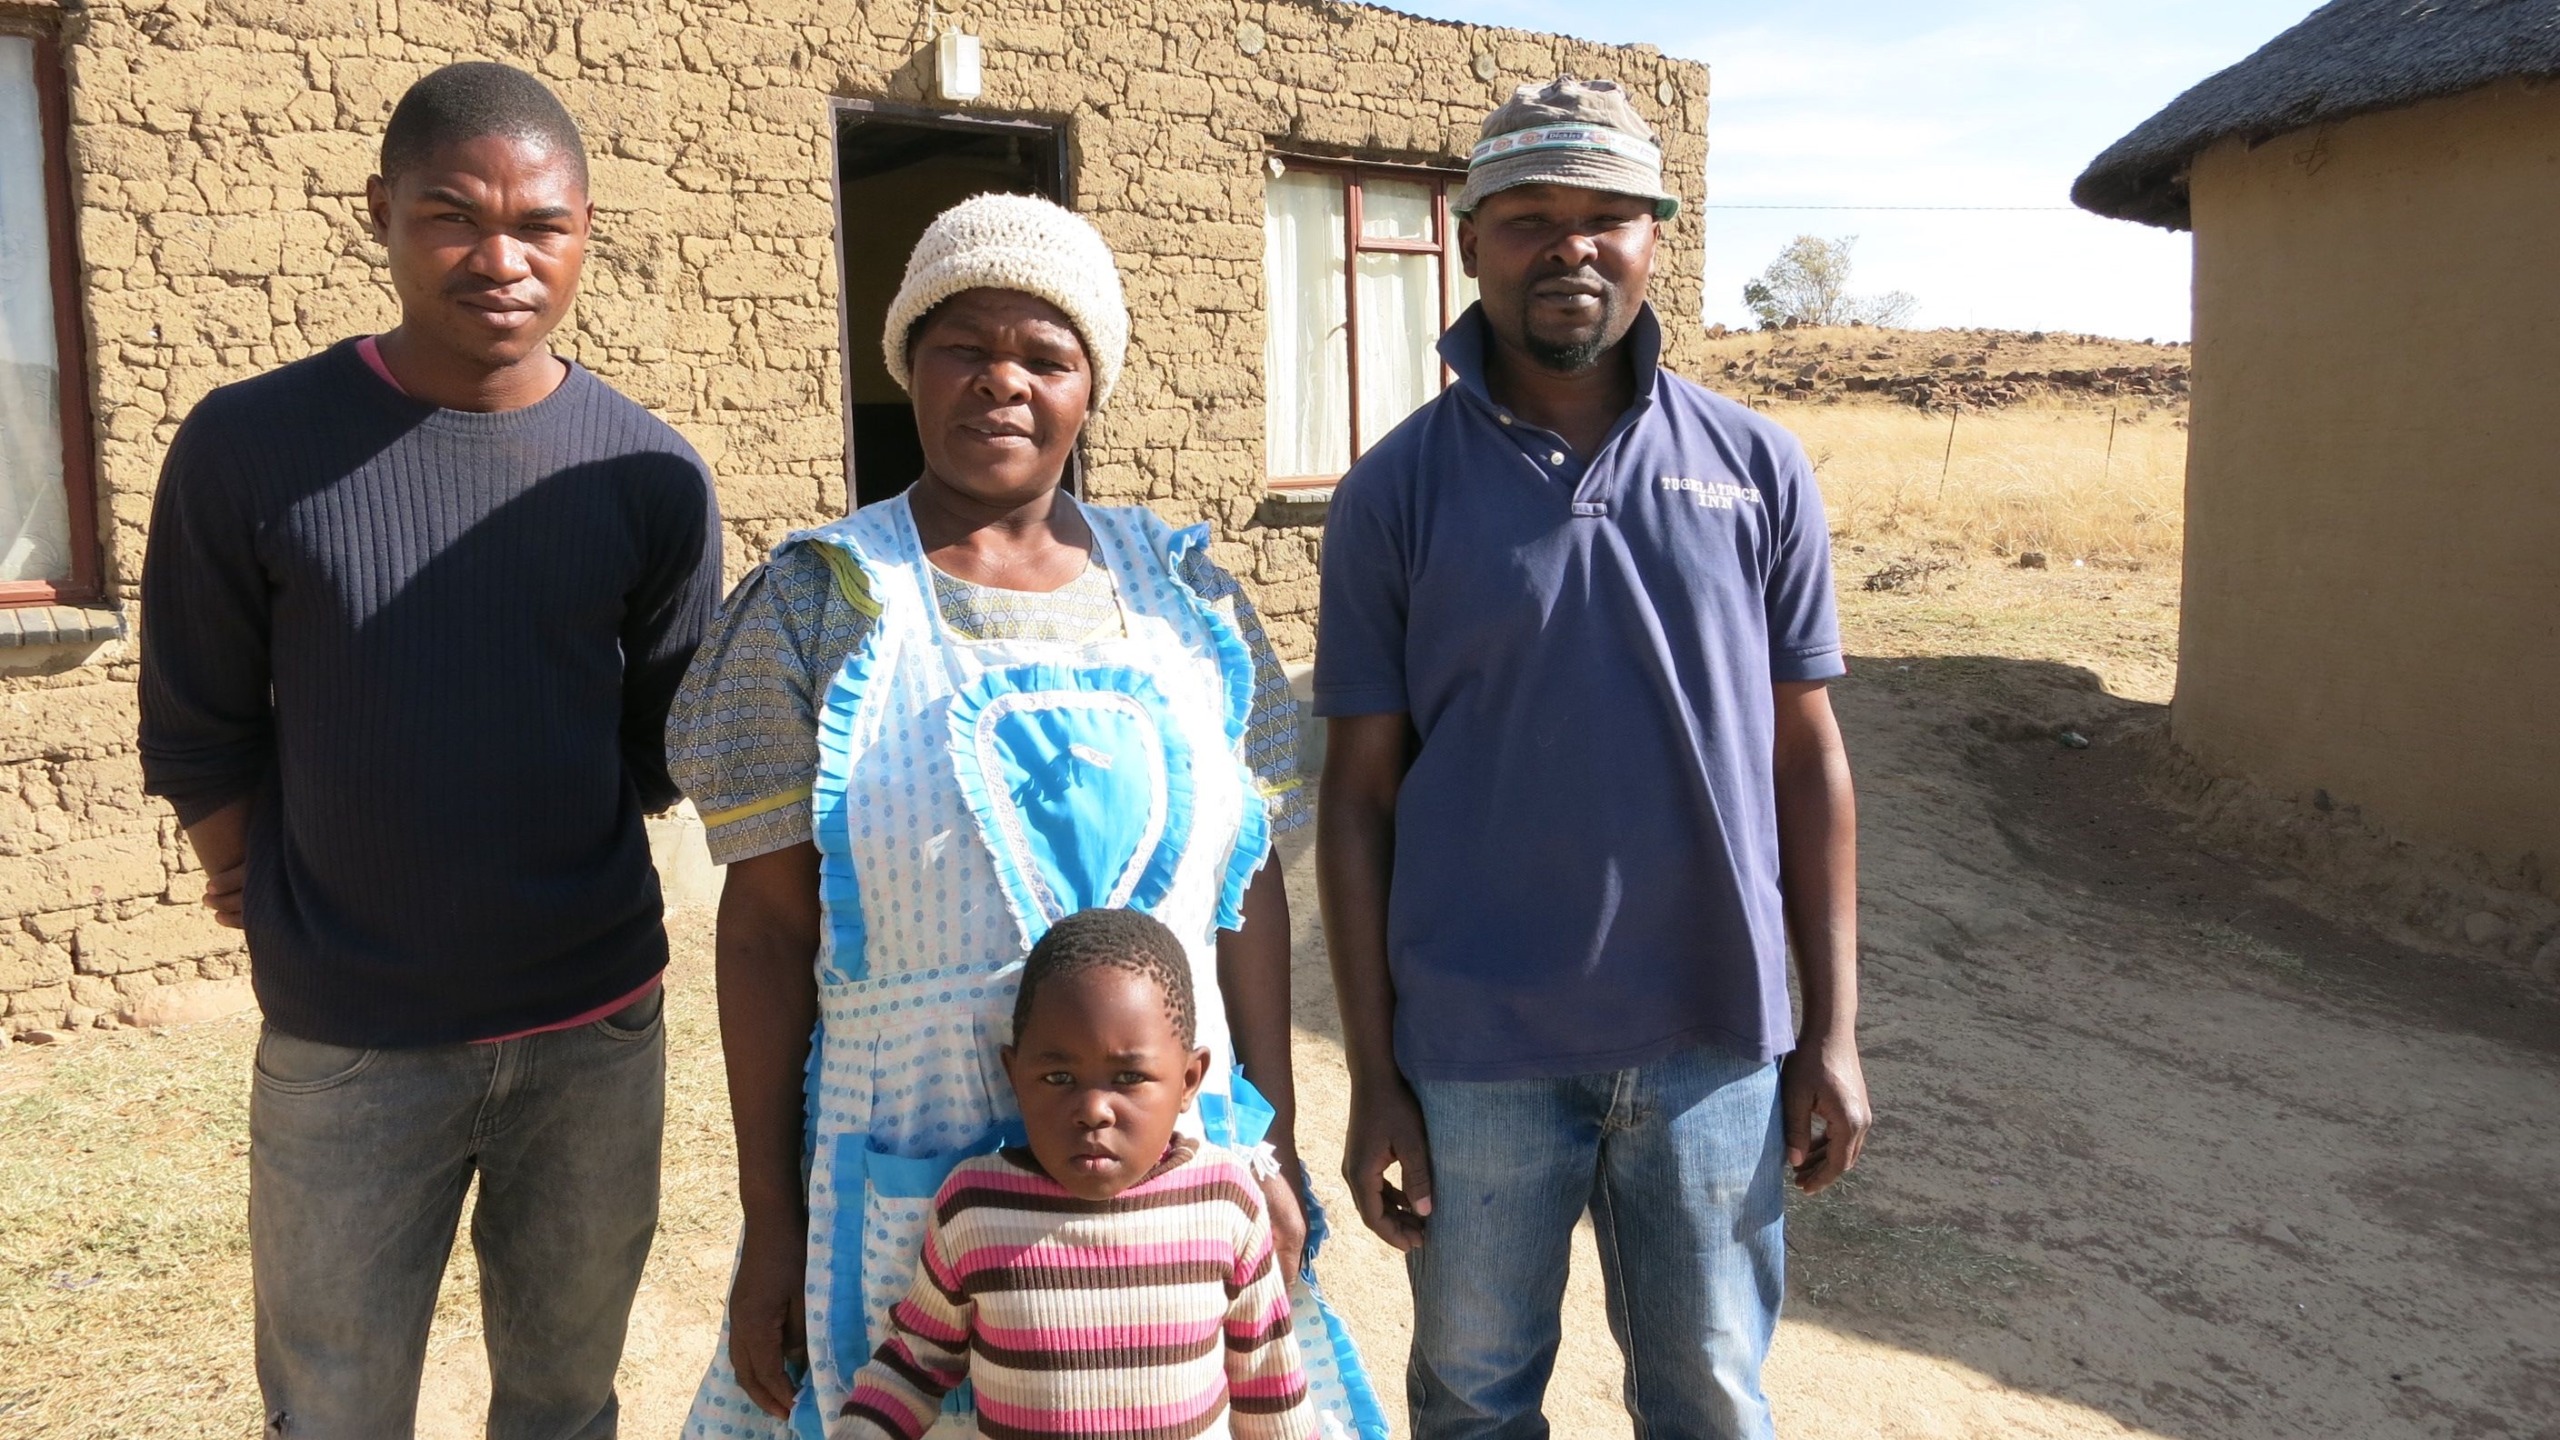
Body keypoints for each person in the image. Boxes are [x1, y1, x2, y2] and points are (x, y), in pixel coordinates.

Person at [669, 192, 1380, 1439]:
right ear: (907, 365)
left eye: (1044, 356)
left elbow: (1244, 888)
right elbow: (768, 934)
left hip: (1171, 1169)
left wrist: (1265, 1139)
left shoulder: (1187, 600)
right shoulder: (817, 598)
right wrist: (770, 1221)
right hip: (905, 1157)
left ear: (1087, 388)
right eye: (964, 347)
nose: (1001, 382)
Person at [134, 61, 719, 1440]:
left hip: (594, 1036)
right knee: (333, 1412)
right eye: (454, 215)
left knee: (565, 1402)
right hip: (352, 1050)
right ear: (379, 215)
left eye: (542, 223)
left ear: (586, 234)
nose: (501, 257)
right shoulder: (249, 447)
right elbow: (198, 724)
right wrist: (269, 885)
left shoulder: (649, 475)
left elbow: (657, 748)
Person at [1314, 76, 1874, 1439]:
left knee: (1711, 1403)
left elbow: (1810, 763)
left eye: (1607, 217)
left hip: (1714, 1044)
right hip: (1476, 1053)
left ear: (1656, 240)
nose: (1570, 246)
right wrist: (1378, 1072)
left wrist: (1834, 1029)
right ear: (1469, 238)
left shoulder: (1756, 467)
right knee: (1474, 1401)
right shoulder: (1395, 491)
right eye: (1530, 219)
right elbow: (1359, 799)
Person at [834, 908, 1315, 1440]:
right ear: (1014, 1076)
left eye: (1130, 1077)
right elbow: (915, 1361)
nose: (1093, 1109)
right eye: (1058, 1076)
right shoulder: (974, 1209)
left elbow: (1269, 1386)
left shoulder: (1225, 1201)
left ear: (1189, 1080)